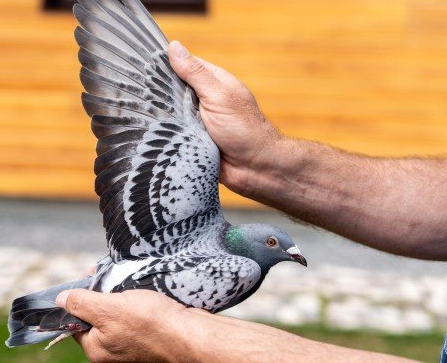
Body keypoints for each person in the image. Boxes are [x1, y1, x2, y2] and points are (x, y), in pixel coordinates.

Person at [55, 40, 447, 363]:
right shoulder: (241, 271)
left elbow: (170, 331)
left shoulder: (236, 263)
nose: (292, 252)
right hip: (122, 278)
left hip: (122, 273)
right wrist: (262, 157)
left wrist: (189, 345)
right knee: (192, 135)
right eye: (276, 244)